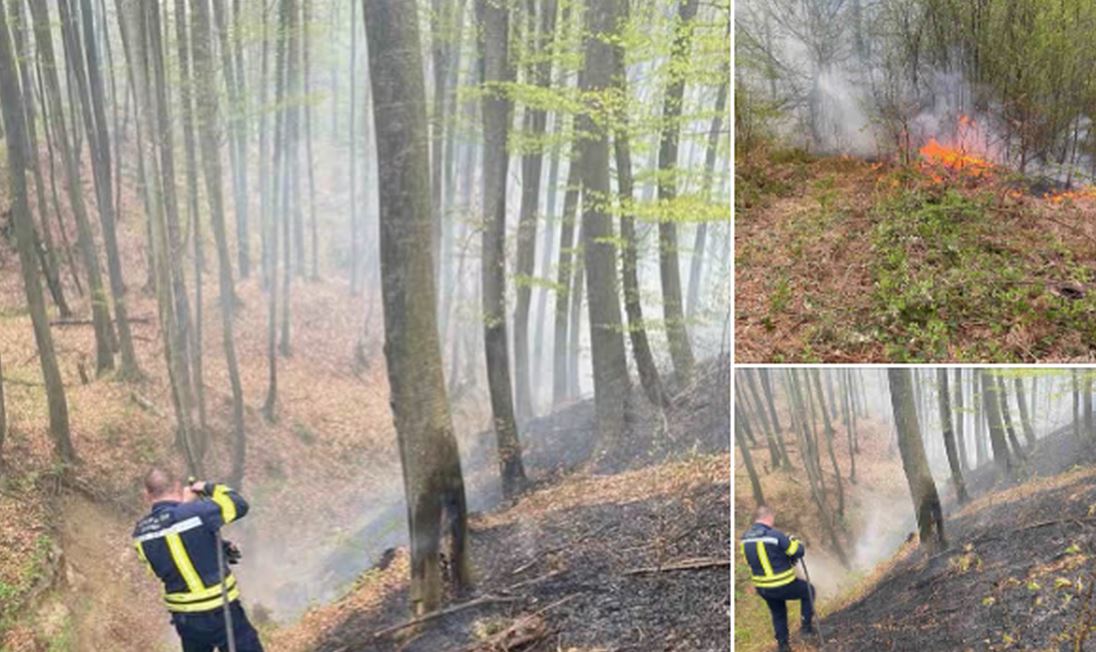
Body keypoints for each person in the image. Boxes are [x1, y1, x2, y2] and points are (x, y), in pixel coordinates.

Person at [133, 467, 264, 651]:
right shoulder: (196, 513)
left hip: (186, 619)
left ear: (146, 494)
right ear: (178, 486)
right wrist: (206, 487)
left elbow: (172, 558)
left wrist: (220, 547)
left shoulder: (139, 534)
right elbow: (239, 504)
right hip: (221, 610)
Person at [740, 505, 815, 652]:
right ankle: (806, 630)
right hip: (782, 584)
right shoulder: (775, 535)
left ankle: (783, 646)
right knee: (809, 591)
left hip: (762, 588)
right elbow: (797, 551)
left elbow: (757, 558)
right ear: (769, 517)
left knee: (778, 612)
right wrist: (795, 542)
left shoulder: (744, 539)